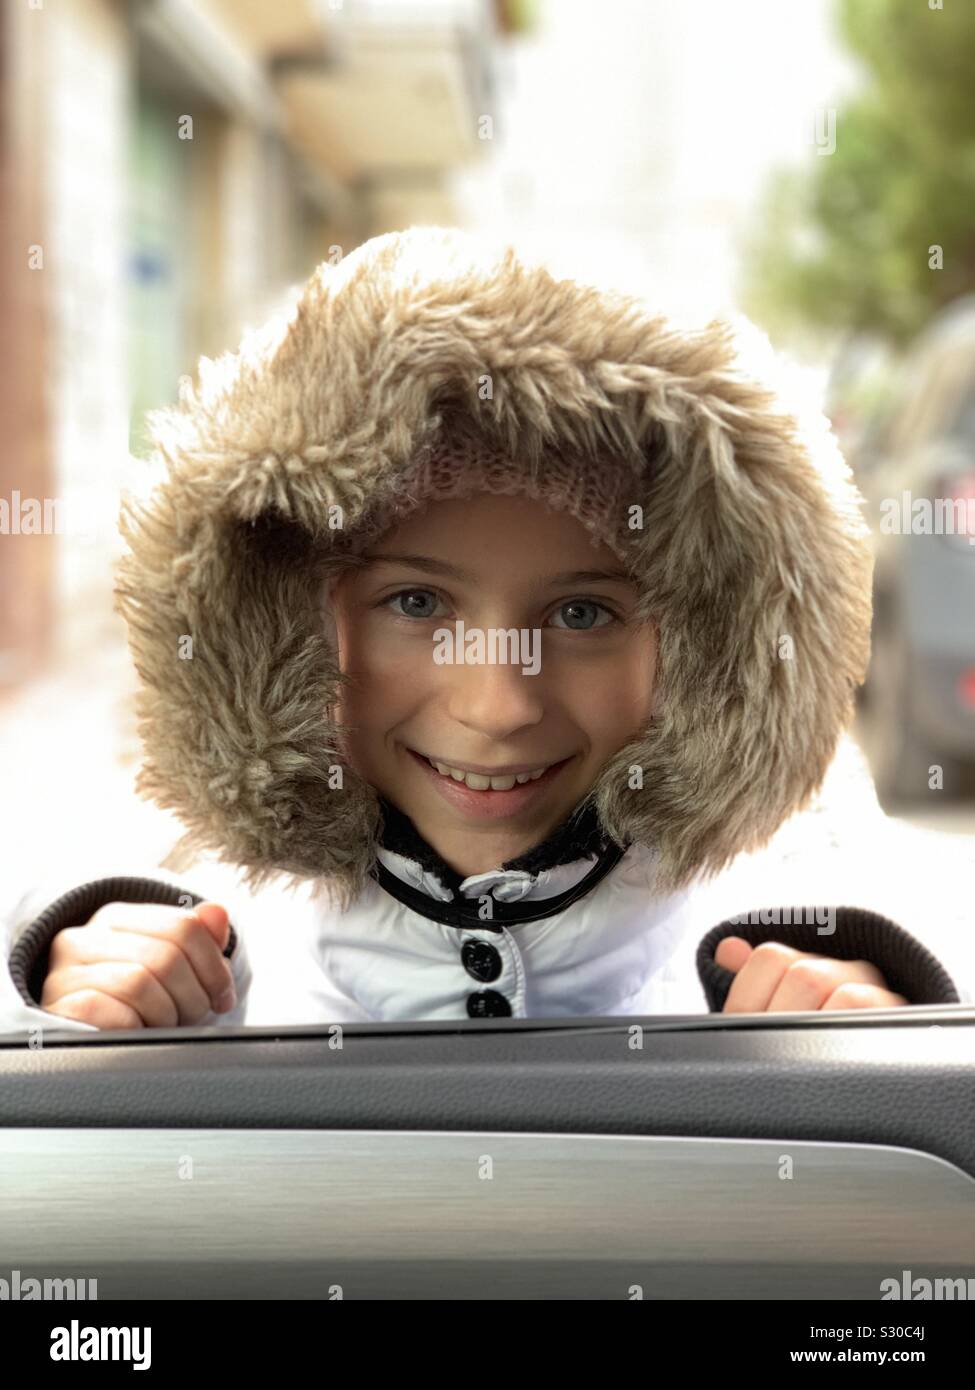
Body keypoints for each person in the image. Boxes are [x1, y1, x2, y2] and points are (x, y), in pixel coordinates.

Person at [0, 225, 969, 1034]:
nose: (498, 703)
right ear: (284, 618)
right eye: (417, 604)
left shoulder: (786, 922)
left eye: (582, 613)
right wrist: (68, 977)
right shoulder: (194, 930)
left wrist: (873, 991)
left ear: (703, 643)